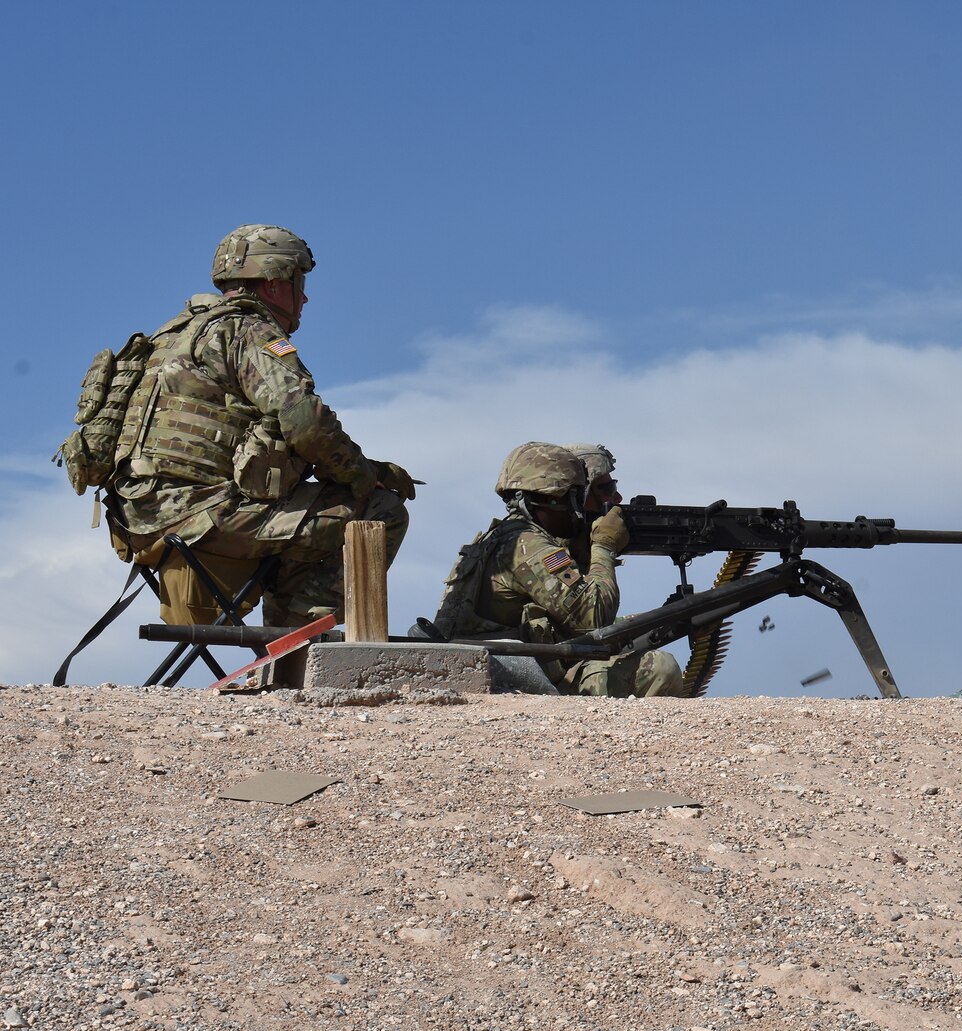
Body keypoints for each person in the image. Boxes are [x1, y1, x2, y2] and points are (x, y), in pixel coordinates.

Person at [105, 224, 415, 625]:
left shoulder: (168, 337)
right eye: (297, 283)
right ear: (273, 283)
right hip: (207, 516)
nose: (304, 297)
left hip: (138, 520)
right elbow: (304, 421)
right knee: (380, 510)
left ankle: (285, 650)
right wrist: (364, 473)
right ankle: (299, 635)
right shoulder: (248, 331)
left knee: (301, 511)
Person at [432, 442, 681, 697]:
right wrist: (604, 546)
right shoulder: (527, 546)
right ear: (556, 499)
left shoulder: (510, 538)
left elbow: (564, 627)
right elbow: (593, 619)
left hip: (514, 670)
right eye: (577, 495)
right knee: (659, 668)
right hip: (511, 681)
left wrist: (660, 619)